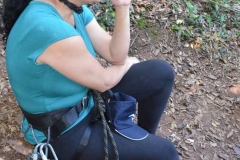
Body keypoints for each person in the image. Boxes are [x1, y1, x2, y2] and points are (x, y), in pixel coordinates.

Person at [2, 0, 179, 159]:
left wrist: (123, 6)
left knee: (161, 73)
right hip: (63, 132)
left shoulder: (73, 10)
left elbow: (115, 55)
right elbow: (104, 81)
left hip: (86, 104)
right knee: (166, 153)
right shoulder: (47, 27)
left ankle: (142, 143)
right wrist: (126, 65)